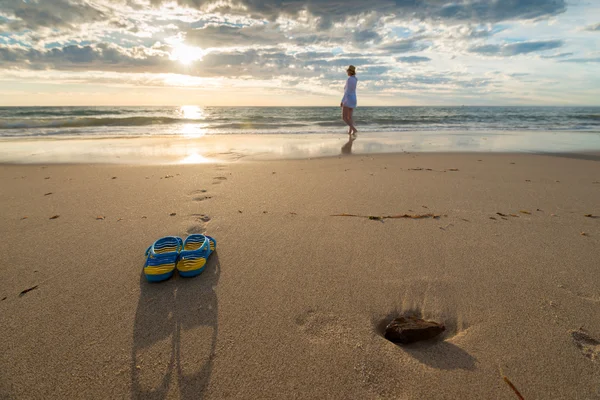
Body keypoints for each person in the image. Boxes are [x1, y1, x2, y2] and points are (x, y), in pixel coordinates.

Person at [340, 65, 358, 136]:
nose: (347, 72)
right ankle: (350, 131)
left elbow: (347, 91)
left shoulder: (349, 79)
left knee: (344, 117)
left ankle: (354, 129)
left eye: (347, 71)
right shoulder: (355, 79)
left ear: (350, 71)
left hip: (348, 99)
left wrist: (342, 101)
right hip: (353, 99)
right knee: (349, 117)